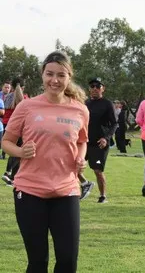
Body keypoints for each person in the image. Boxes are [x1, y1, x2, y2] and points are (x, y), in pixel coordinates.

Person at [2, 51, 89, 272]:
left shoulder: (80, 109)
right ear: (42, 75)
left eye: (61, 75)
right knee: (38, 262)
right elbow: (6, 142)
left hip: (66, 189)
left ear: (69, 76)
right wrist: (21, 151)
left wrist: (81, 157)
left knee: (68, 261)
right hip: (30, 191)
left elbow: (82, 141)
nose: (55, 80)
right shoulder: (27, 106)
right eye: (49, 74)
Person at [85, 77, 117, 203]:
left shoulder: (107, 104)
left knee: (98, 170)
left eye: (98, 86)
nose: (95, 89)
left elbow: (114, 124)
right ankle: (84, 185)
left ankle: (103, 196)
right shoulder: (85, 103)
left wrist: (106, 138)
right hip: (85, 141)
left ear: (103, 88)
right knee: (74, 166)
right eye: (92, 86)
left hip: (100, 143)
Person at [1, 78, 27, 185]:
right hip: (20, 128)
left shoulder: (7, 97)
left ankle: (9, 175)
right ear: (23, 87)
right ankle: (10, 175)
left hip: (7, 125)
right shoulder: (24, 99)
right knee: (19, 153)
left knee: (13, 151)